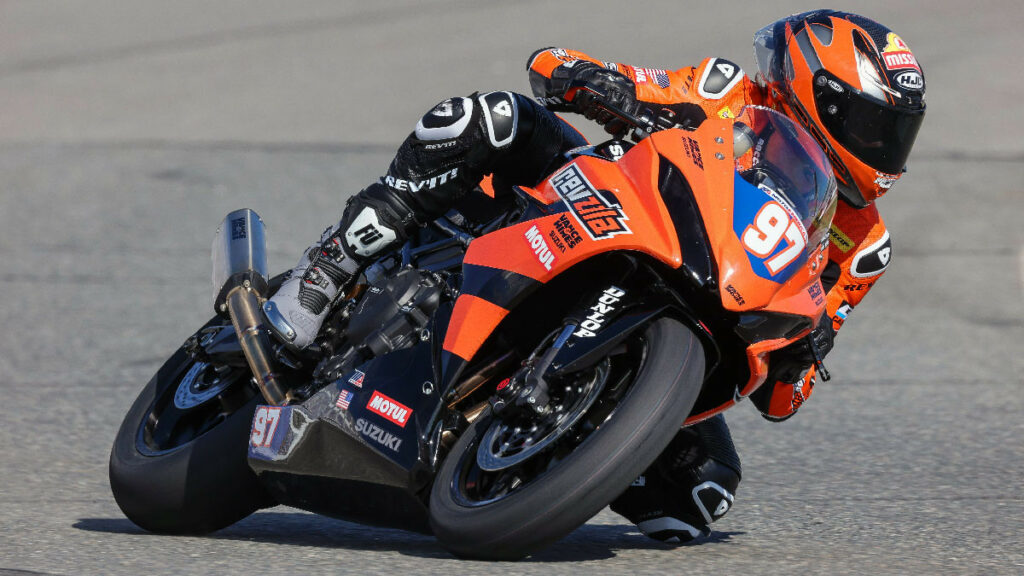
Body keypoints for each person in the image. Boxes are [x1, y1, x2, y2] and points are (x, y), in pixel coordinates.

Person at [262, 9, 926, 543]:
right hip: (601, 207)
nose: (886, 149)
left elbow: (784, 401)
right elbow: (561, 67)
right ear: (818, 92)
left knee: (703, 493)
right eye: (877, 125)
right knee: (489, 120)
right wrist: (599, 84)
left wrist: (806, 352)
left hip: (694, 299)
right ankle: (326, 272)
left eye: (899, 132)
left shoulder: (863, 243)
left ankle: (535, 450)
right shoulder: (726, 92)